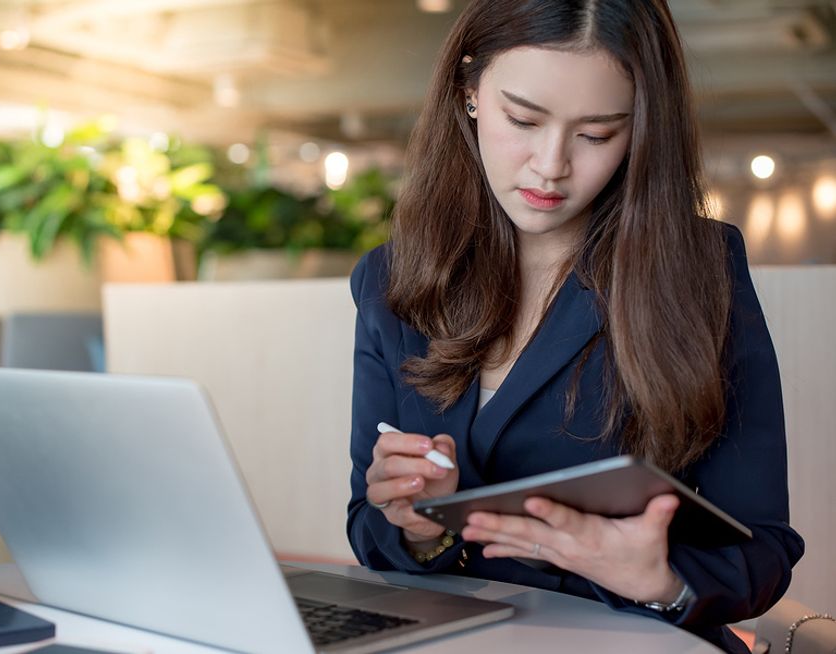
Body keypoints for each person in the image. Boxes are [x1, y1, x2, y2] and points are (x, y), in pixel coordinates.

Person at [345, 1, 805, 652]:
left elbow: (765, 548)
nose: (551, 166)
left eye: (596, 134)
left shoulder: (697, 270)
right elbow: (369, 528)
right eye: (523, 120)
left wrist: (658, 578)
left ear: (641, 128)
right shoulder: (391, 279)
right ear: (469, 91)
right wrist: (422, 525)